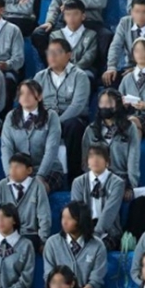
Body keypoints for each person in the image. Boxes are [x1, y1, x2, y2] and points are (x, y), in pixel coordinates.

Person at [34, 38, 91, 181]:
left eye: (57, 52)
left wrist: (56, 122)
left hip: (70, 119)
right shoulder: (40, 77)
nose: (52, 56)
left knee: (74, 126)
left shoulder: (80, 76)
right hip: (46, 118)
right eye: (49, 52)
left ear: (68, 55)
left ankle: (74, 178)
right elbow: (34, 101)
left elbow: (77, 106)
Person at [0, 79, 64, 193]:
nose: (25, 96)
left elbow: (51, 150)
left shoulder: (51, 116)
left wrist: (40, 175)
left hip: (49, 170)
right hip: (20, 170)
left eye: (30, 93)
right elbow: (6, 148)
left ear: (39, 97)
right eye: (22, 93)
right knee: (10, 189)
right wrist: (10, 175)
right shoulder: (11, 117)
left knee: (36, 189)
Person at [43, 202, 107, 288]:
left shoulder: (98, 246)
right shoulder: (52, 243)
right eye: (63, 217)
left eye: (69, 218)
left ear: (81, 220)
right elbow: (48, 276)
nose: (64, 222)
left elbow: (95, 281)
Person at [83, 88, 141, 194]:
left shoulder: (130, 128)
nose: (105, 106)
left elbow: (134, 159)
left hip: (120, 177)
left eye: (109, 103)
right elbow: (85, 161)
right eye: (102, 103)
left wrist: (131, 186)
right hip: (97, 176)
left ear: (117, 105)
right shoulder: (91, 130)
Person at [0, 153, 51, 248]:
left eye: (17, 167)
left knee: (20, 247)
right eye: (11, 167)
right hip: (6, 233)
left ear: (29, 170)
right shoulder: (2, 185)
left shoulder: (38, 186)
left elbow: (44, 215)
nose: (13, 170)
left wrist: (43, 240)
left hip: (29, 234)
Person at [71, 144, 125, 249]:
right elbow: (77, 211)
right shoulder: (78, 182)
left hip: (109, 232)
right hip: (84, 230)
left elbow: (110, 212)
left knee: (95, 248)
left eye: (99, 156)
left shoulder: (117, 183)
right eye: (91, 156)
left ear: (107, 161)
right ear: (87, 162)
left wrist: (95, 234)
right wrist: (85, 233)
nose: (95, 160)